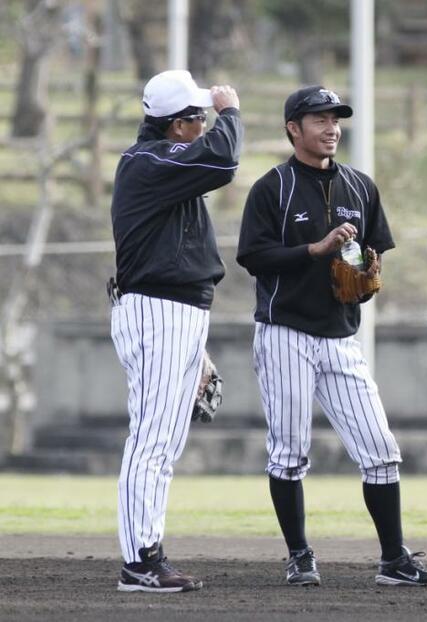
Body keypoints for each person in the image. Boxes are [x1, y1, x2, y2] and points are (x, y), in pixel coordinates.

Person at [236, 85, 427, 588]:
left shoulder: (360, 187)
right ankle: (299, 555)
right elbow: (253, 256)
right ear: (294, 128)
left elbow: (367, 266)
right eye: (319, 119)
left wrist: (369, 276)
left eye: (336, 119)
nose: (331, 127)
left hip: (339, 336)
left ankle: (394, 560)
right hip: (285, 332)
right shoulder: (273, 188)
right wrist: (315, 249)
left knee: (380, 450)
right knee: (289, 452)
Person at [109, 70, 242, 592]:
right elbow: (224, 160)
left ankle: (149, 554)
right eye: (199, 116)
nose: (206, 122)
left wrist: (197, 346)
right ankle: (139, 562)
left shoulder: (166, 165)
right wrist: (231, 113)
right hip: (157, 310)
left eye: (208, 115)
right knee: (152, 441)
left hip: (178, 314)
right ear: (177, 124)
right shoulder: (148, 162)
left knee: (164, 443)